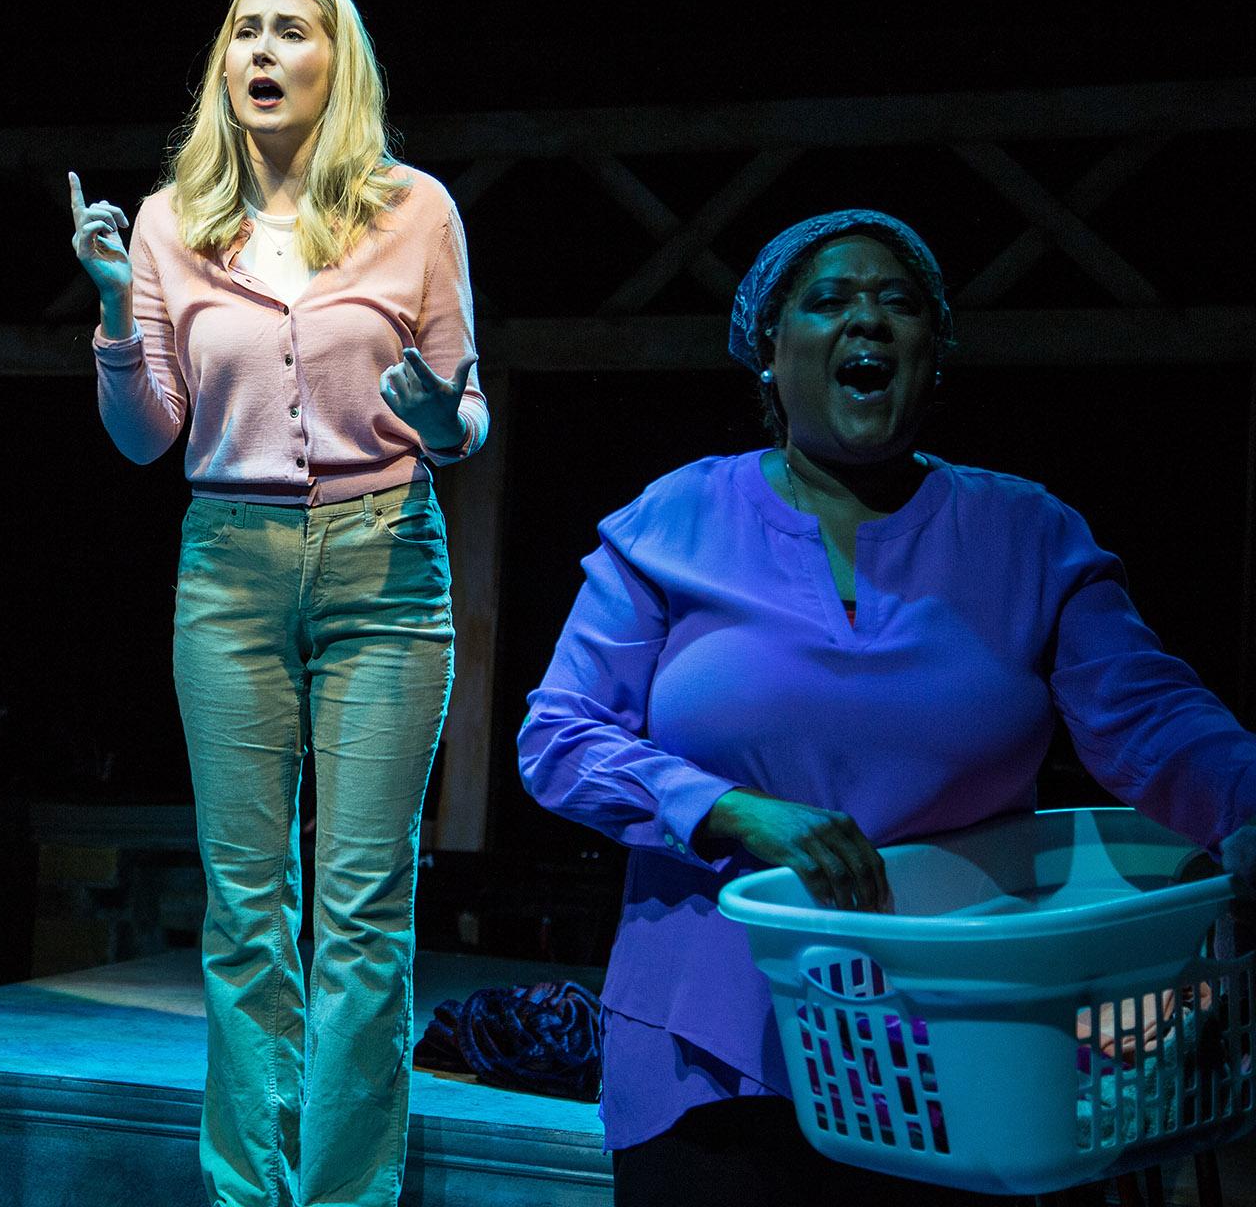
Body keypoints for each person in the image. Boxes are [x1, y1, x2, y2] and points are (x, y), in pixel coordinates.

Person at [516, 209, 1256, 1206]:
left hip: (968, 1042)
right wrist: (729, 809)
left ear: (934, 356)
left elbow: (1154, 715)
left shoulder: (1026, 533)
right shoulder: (674, 520)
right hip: (718, 1041)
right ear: (768, 354)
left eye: (898, 303)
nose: (867, 320)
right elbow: (560, 735)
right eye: (828, 301)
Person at [66, 0, 487, 1207]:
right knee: (248, 913)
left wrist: (433, 412)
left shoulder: (414, 210)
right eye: (244, 30)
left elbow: (466, 412)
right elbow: (148, 434)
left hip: (386, 553)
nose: (261, 49)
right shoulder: (166, 223)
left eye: (289, 30)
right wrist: (109, 317)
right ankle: (247, 1192)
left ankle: (346, 1193)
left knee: (361, 911)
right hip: (230, 570)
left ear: (333, 63)